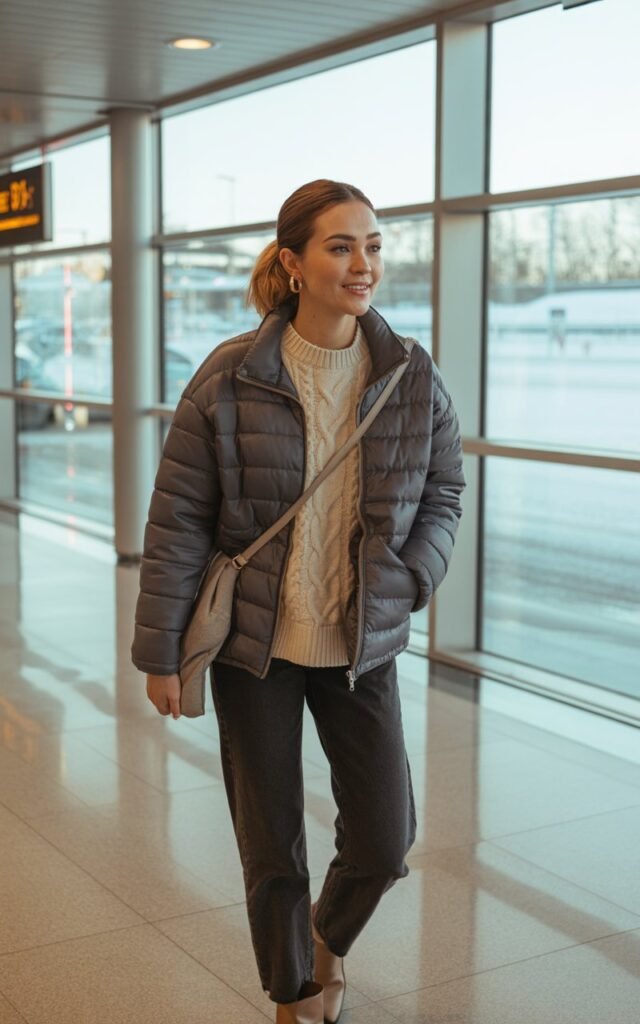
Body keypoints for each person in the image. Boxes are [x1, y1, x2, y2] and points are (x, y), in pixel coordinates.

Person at [131, 179, 466, 1024]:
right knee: (271, 844)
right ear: (293, 263)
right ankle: (294, 990)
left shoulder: (410, 376)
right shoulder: (231, 375)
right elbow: (178, 521)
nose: (365, 264)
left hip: (363, 647)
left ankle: (328, 939)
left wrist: (414, 576)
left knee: (386, 839)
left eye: (374, 245)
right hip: (257, 649)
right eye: (342, 246)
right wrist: (162, 653)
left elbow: (445, 494)